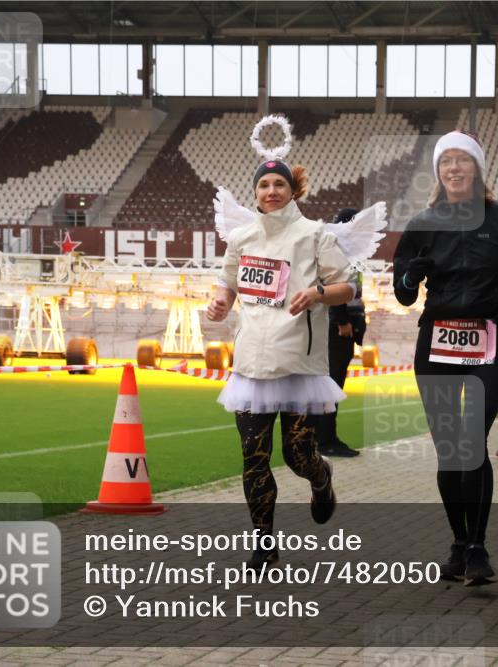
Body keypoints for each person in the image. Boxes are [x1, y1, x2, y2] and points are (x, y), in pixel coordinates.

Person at [206, 115, 367, 567]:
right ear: (255, 192)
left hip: (298, 363)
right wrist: (220, 303)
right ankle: (263, 541)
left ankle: (321, 478)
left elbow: (347, 287)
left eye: (279, 184)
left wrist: (317, 293)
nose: (271, 191)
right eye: (264, 185)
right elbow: (228, 284)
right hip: (251, 362)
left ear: (292, 191)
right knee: (253, 458)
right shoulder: (240, 238)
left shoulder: (314, 234)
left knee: (298, 455)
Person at [393, 130, 498, 586]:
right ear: (438, 172)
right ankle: (458, 543)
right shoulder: (422, 222)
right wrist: (411, 275)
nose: (454, 168)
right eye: (446, 162)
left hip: (488, 343)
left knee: (471, 443)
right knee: (449, 450)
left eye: (463, 160)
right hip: (437, 343)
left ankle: (479, 548)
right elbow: (402, 294)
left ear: (477, 168)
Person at [316, 207, 367, 458]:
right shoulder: (338, 249)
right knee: (331, 385)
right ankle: (324, 440)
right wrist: (341, 320)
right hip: (338, 329)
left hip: (344, 327)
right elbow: (333, 286)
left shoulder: (348, 251)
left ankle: (325, 437)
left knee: (333, 384)